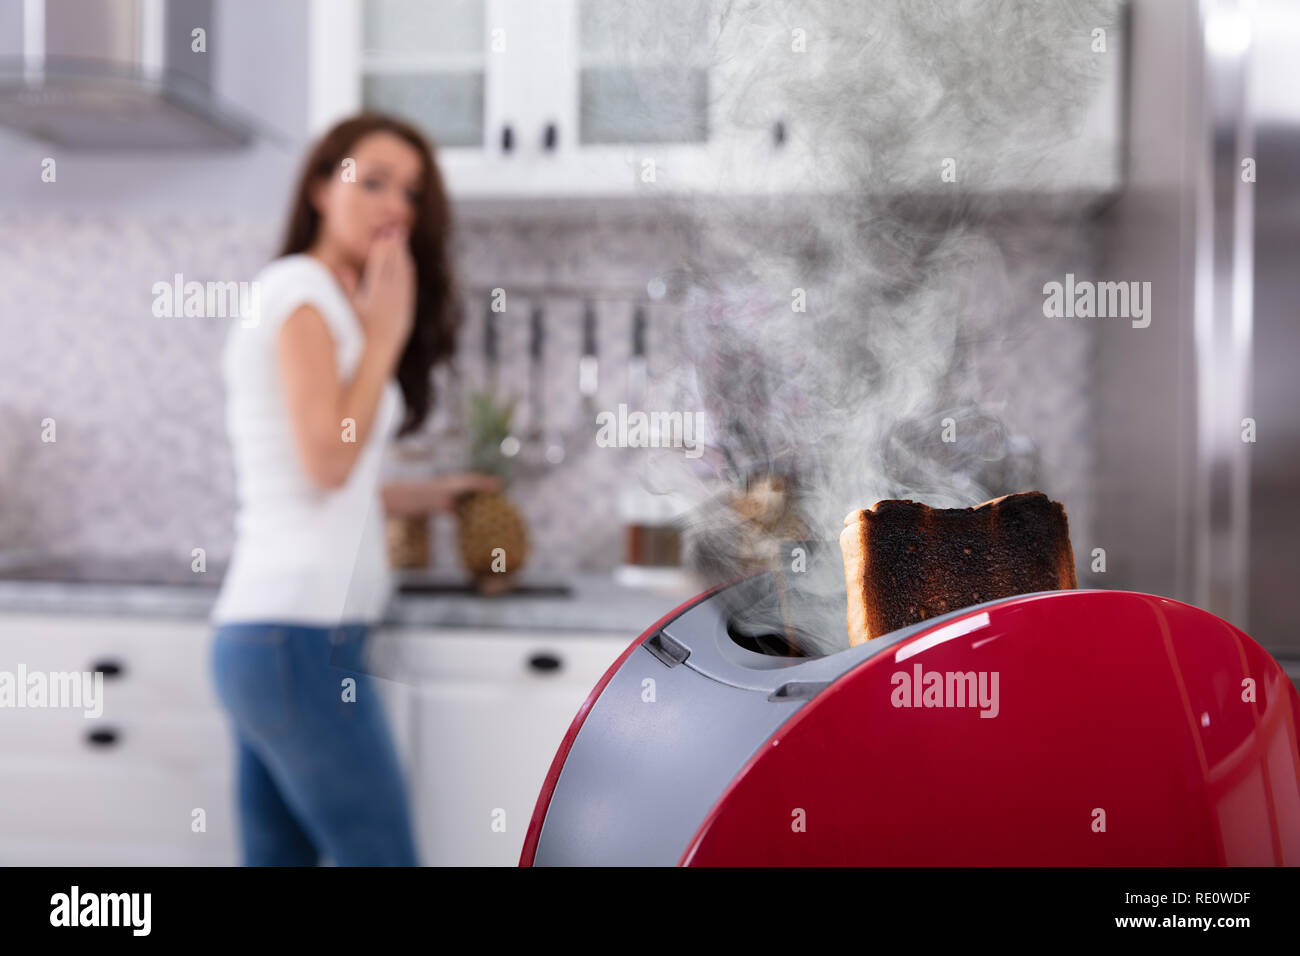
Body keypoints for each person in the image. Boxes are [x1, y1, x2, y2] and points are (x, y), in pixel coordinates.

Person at [209, 114, 497, 866]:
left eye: (410, 191)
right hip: (294, 638)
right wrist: (383, 337)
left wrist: (435, 494)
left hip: (277, 636)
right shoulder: (301, 293)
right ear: (316, 188)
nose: (395, 205)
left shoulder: (329, 298)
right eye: (370, 182)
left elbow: (334, 480)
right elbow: (326, 464)